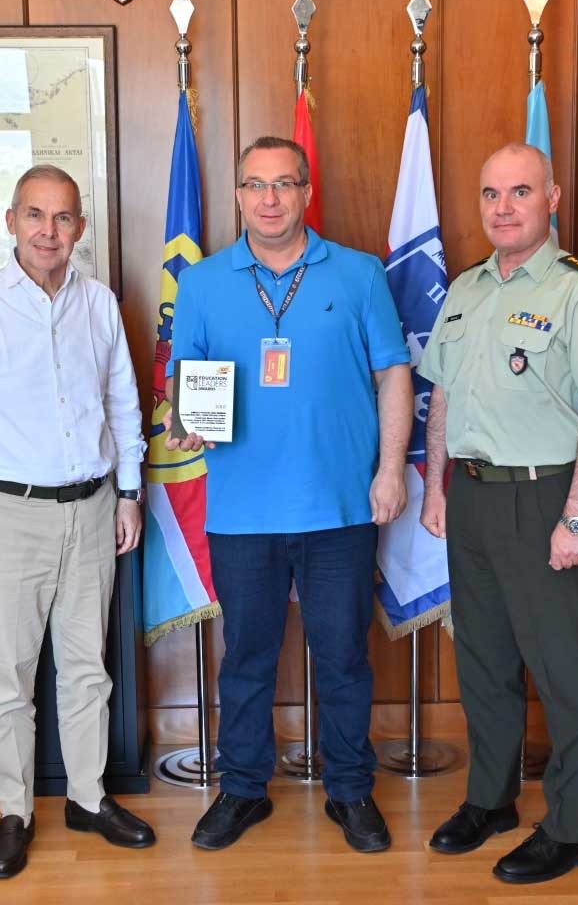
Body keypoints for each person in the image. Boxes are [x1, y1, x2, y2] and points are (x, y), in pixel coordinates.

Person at [165, 136, 414, 853]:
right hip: (242, 512)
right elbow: (184, 383)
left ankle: (351, 790)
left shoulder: (360, 274)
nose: (268, 199)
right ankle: (243, 789)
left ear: (306, 192)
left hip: (340, 507)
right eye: (255, 185)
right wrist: (185, 423)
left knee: (343, 657)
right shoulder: (203, 282)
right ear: (238, 196)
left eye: (283, 183)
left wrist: (390, 470)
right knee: (247, 659)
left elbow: (393, 375)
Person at [418, 144, 578, 884]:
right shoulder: (466, 288)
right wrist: (436, 488)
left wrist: (576, 519)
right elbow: (443, 395)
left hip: (544, 495)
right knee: (483, 661)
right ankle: (491, 799)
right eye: (491, 194)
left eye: (520, 191)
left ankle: (571, 829)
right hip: (472, 494)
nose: (503, 207)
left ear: (552, 198)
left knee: (564, 669)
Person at [0, 164, 153, 880]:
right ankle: (14, 813)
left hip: (92, 508)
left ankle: (87, 798)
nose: (48, 231)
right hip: (6, 515)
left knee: (88, 668)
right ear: (11, 222)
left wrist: (128, 493)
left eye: (62, 218)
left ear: (80, 228)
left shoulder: (99, 303)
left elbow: (123, 404)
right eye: (35, 215)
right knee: (9, 675)